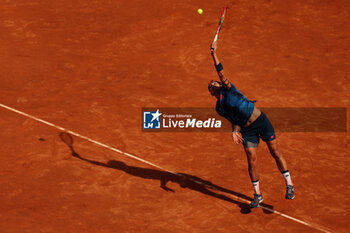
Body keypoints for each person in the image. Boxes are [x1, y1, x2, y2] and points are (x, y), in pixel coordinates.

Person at [208, 41, 295, 208]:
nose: (213, 84)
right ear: (211, 92)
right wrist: (234, 131)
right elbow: (235, 121)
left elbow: (220, 72)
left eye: (214, 82)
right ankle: (257, 195)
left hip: (261, 121)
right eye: (210, 86)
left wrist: (214, 54)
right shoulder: (219, 107)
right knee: (251, 160)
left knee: (275, 151)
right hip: (247, 130)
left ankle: (289, 184)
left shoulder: (228, 88)